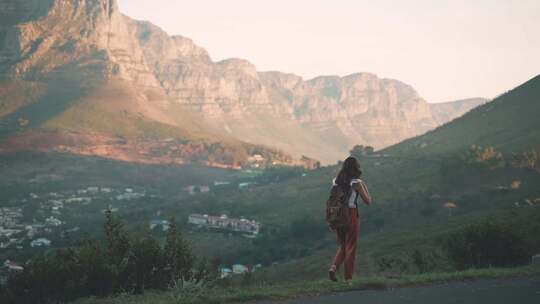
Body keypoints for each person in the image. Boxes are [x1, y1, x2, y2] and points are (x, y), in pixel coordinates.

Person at [329, 156, 372, 282]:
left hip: (338, 215)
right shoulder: (357, 183)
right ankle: (348, 279)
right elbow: (368, 201)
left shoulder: (335, 181)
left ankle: (333, 267)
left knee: (343, 245)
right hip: (351, 214)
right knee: (351, 246)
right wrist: (364, 185)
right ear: (356, 168)